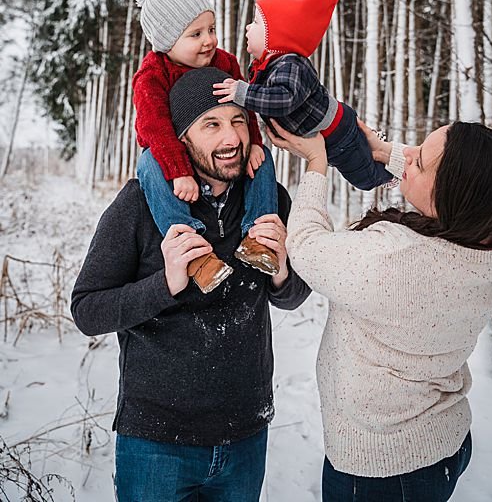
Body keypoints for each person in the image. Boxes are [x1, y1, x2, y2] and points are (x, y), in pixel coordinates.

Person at [71, 66, 312, 501]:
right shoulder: (140, 204)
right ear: (181, 138)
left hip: (245, 434)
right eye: (212, 124)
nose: (232, 138)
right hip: (157, 440)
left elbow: (295, 296)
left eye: (239, 120)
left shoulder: (269, 198)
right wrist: (166, 283)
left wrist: (279, 269)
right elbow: (88, 310)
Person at [265, 117, 492, 502]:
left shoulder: (395, 260)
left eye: (420, 162)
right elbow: (456, 190)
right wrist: (386, 153)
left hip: (382, 469)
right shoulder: (490, 244)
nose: (409, 156)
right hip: (443, 441)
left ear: (451, 195)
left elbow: (306, 246)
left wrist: (315, 164)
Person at [131, 0, 281, 291]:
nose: (209, 40)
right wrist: (179, 172)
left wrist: (253, 141)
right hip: (170, 154)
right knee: (147, 163)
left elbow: (243, 104)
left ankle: (258, 235)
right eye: (195, 34)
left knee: (262, 158)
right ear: (166, 42)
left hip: (218, 157)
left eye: (211, 29)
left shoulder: (223, 61)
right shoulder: (152, 75)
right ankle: (189, 245)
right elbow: (154, 131)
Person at [212, 0, 393, 191]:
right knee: (359, 159)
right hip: (329, 137)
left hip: (338, 136)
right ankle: (379, 152)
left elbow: (284, 99)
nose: (248, 27)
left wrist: (244, 93)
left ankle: (390, 174)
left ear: (276, 36)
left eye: (256, 22)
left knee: (363, 179)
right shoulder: (267, 65)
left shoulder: (291, 64)